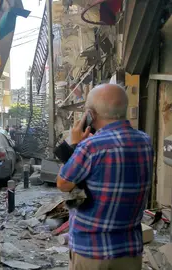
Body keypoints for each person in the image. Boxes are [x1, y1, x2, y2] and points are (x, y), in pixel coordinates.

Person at [56, 84, 153, 270]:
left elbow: (63, 183)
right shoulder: (145, 142)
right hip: (129, 250)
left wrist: (75, 145)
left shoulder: (91, 147)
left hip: (92, 252)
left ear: (91, 114)